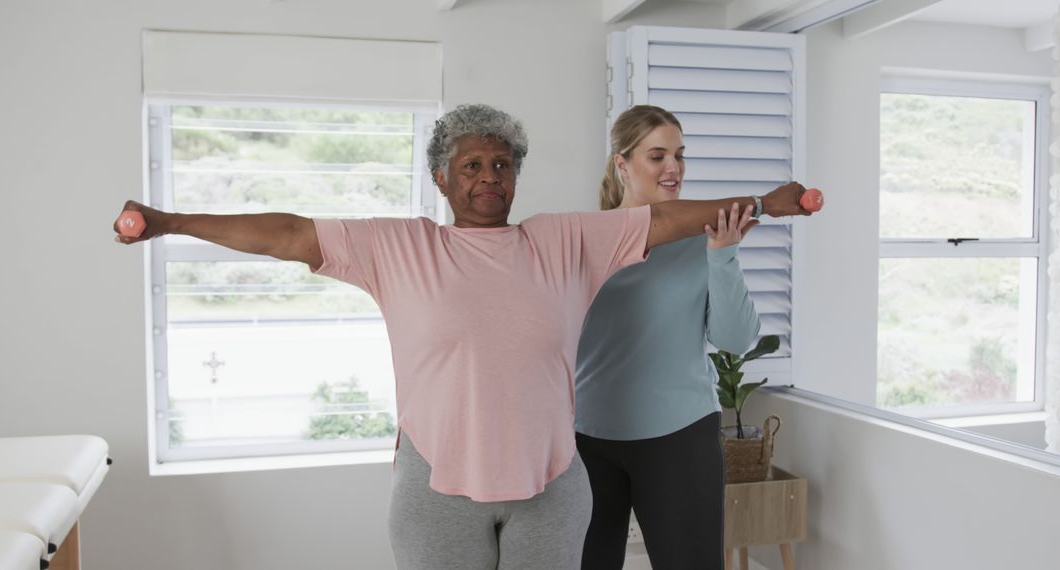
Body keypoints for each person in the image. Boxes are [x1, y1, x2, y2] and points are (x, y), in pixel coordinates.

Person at [114, 103, 808, 569]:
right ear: (442, 178)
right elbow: (292, 234)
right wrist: (171, 221)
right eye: (472, 165)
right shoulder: (399, 248)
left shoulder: (564, 240)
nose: (488, 178)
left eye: (502, 165)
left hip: (553, 485)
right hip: (437, 487)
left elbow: (664, 223)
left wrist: (764, 205)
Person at [574, 104, 800, 569]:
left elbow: (735, 340)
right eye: (657, 156)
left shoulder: (704, 237)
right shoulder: (581, 239)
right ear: (623, 164)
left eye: (680, 155)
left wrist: (722, 255)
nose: (673, 168)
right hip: (587, 437)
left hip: (679, 438)